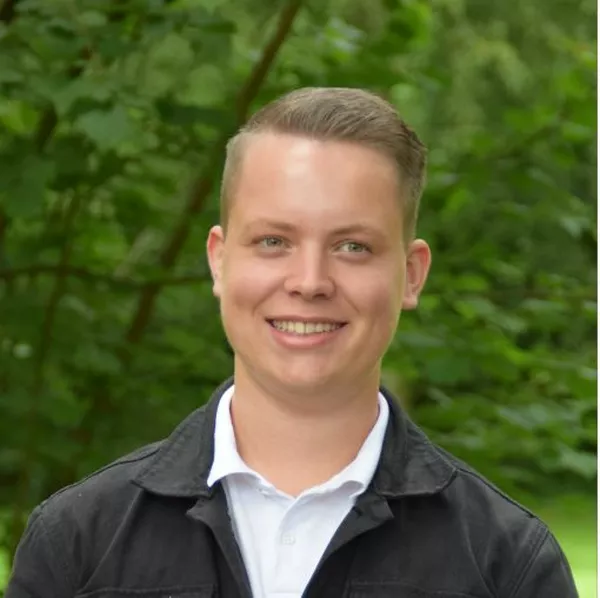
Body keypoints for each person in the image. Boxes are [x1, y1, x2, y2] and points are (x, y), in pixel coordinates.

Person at [6, 87, 578, 598]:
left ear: (411, 274)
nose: (309, 282)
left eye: (352, 247)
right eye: (274, 241)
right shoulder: (76, 545)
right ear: (219, 260)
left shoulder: (508, 567)